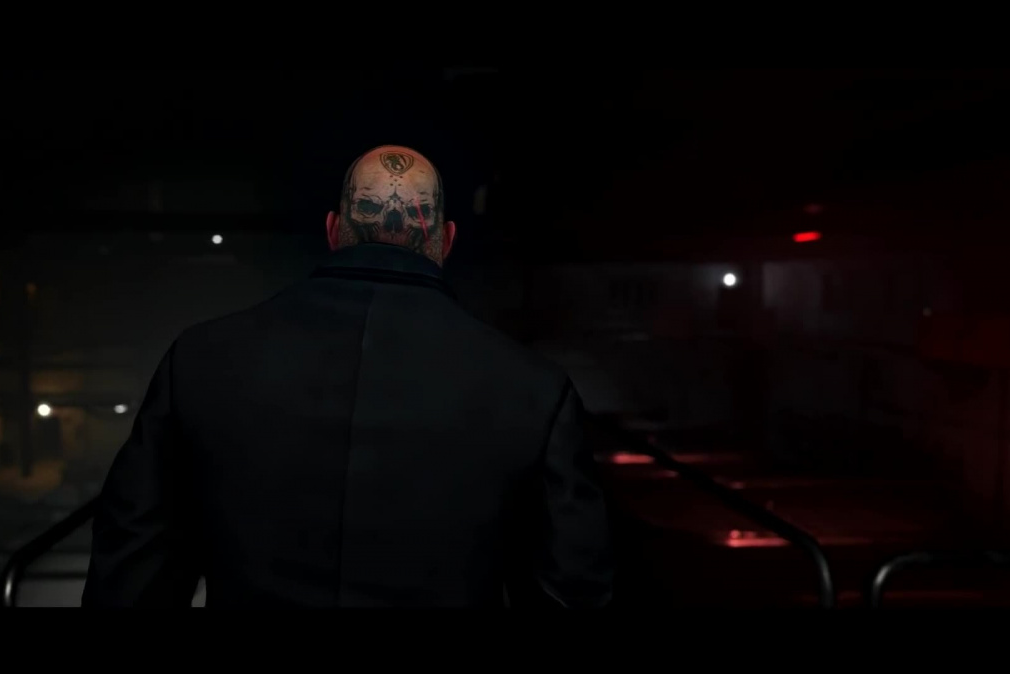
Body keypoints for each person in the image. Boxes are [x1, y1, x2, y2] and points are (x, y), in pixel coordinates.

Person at [82, 145, 614, 607]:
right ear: (446, 240)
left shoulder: (200, 359)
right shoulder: (534, 389)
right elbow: (571, 593)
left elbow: (131, 580)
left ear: (334, 230)